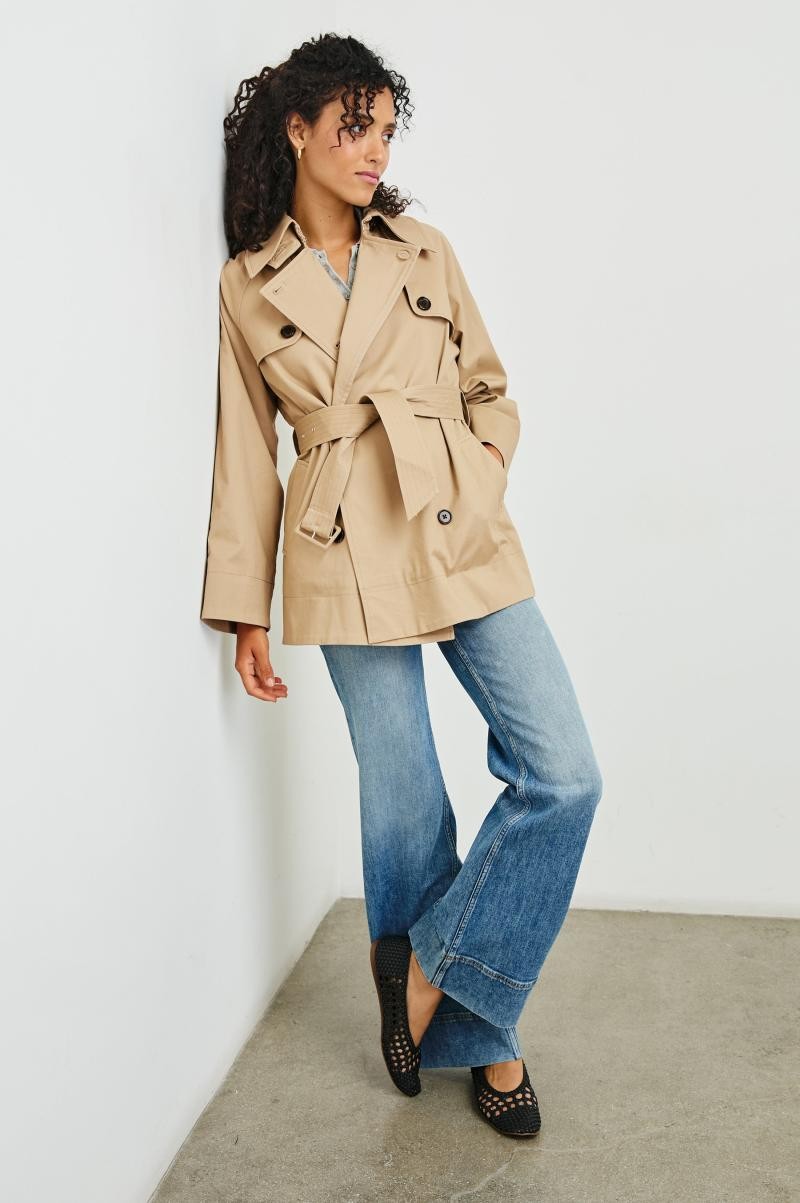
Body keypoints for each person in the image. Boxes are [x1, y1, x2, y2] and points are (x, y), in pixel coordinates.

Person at [200, 33, 603, 1138]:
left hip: (453, 518)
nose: (375, 147)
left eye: (385, 128)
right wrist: (242, 608)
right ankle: (487, 1036)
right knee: (407, 800)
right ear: (297, 128)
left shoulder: (423, 249)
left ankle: (422, 972)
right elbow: (245, 454)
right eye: (354, 124)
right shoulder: (247, 283)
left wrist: (480, 465)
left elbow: (489, 386)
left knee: (564, 774)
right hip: (338, 541)